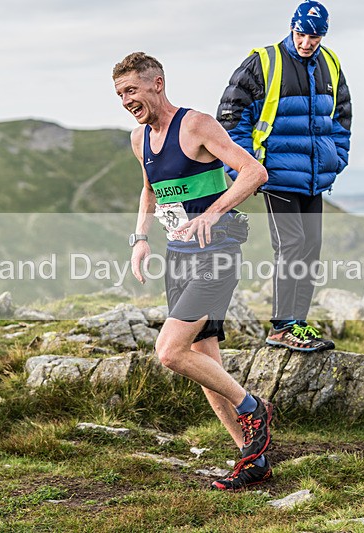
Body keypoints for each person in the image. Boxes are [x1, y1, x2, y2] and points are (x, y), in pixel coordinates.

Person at [113, 52, 273, 491]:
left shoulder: (196, 125)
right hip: (178, 255)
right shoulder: (139, 138)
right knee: (202, 361)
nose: (126, 100)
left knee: (169, 351)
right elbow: (150, 188)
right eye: (119, 94)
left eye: (132, 90)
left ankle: (253, 408)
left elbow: (253, 172)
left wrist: (213, 212)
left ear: (157, 84)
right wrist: (140, 237)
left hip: (216, 252)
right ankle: (251, 457)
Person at [217, 1, 352, 351]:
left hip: (313, 176)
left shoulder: (331, 64)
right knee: (290, 245)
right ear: (292, 28)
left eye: (315, 36)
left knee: (311, 248)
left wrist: (336, 158)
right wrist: (247, 169)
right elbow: (232, 116)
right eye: (302, 34)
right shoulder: (264, 61)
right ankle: (281, 326)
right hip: (274, 175)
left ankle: (299, 324)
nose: (307, 42)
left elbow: (342, 114)